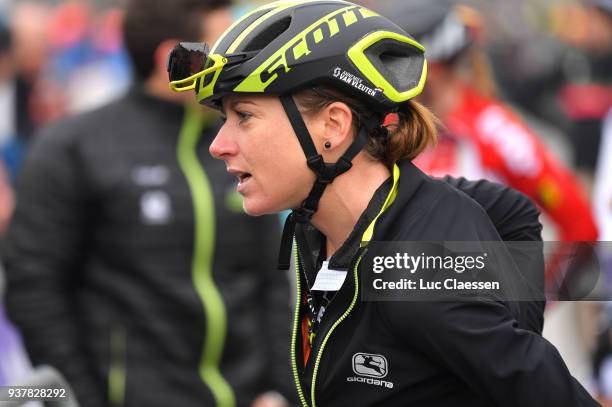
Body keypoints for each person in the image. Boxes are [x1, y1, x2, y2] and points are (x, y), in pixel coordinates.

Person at [168, 0, 599, 405]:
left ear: (333, 125)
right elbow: (507, 208)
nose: (219, 145)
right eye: (224, 119)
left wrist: (506, 313)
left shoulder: (418, 281)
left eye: (244, 115)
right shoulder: (319, 227)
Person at [3, 1, 293, 406]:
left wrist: (282, 390)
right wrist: (82, 400)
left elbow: (273, 281)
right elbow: (35, 292)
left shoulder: (239, 144)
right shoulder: (71, 148)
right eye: (221, 49)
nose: (235, 63)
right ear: (171, 59)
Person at [378, 0, 598, 246]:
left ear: (432, 69)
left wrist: (541, 282)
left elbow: (581, 224)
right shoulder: (388, 127)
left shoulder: (494, 131)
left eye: (394, 67)